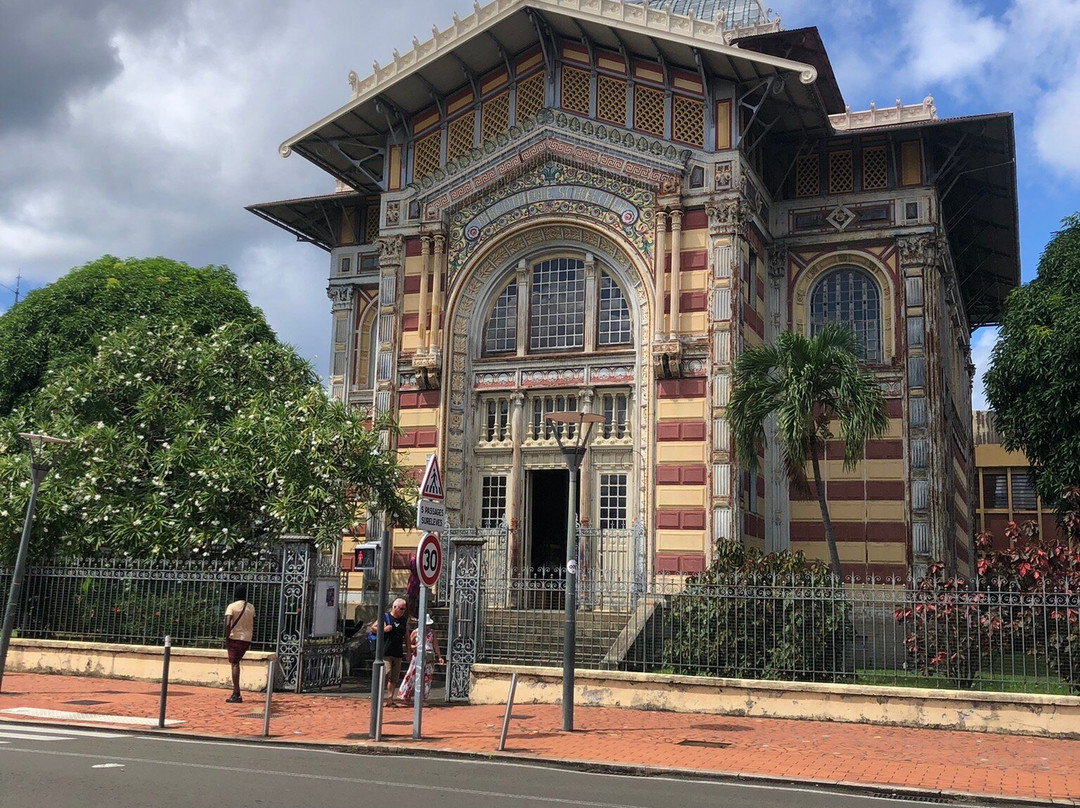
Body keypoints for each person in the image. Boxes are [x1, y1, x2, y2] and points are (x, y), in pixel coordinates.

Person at [397, 614, 444, 705]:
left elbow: (435, 645)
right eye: (426, 625)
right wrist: (414, 648)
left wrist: (439, 656)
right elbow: (408, 644)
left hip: (429, 656)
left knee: (427, 677)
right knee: (412, 675)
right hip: (417, 656)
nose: (427, 627)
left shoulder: (432, 633)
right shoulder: (415, 632)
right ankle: (406, 695)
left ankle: (423, 698)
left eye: (428, 625)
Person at [371, 597, 408, 705]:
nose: (403, 611)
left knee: (394, 677)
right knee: (386, 673)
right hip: (386, 651)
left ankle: (390, 698)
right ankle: (379, 696)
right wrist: (384, 629)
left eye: (404, 609)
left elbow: (406, 636)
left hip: (398, 652)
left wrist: (409, 651)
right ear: (395, 607)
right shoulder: (385, 617)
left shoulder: (404, 621)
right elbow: (372, 628)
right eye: (401, 609)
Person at [223, 584, 254, 704]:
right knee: (237, 662)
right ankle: (236, 692)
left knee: (234, 664)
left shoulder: (232, 606)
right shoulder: (251, 607)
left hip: (234, 637)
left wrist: (227, 637)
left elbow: (227, 624)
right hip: (247, 638)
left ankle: (236, 693)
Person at [405, 554, 421, 620]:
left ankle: (416, 614)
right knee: (412, 599)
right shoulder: (414, 559)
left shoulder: (420, 559)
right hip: (414, 581)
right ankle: (411, 615)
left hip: (419, 581)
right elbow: (414, 569)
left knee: (417, 599)